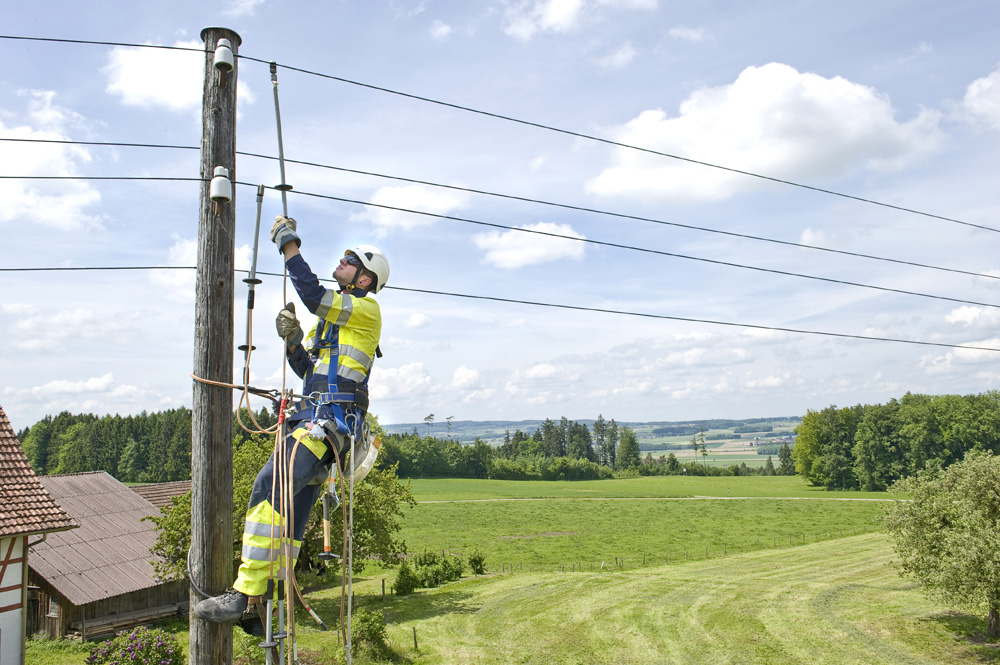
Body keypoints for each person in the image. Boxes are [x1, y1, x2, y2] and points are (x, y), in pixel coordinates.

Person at [194, 215, 388, 623]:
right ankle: (268, 599)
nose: (342, 260)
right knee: (292, 513)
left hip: (328, 426)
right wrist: (295, 342)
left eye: (350, 260)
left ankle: (243, 592)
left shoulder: (366, 310)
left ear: (365, 280)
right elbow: (309, 371)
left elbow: (314, 294)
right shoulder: (335, 324)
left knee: (269, 484)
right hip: (320, 423)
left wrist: (289, 246)